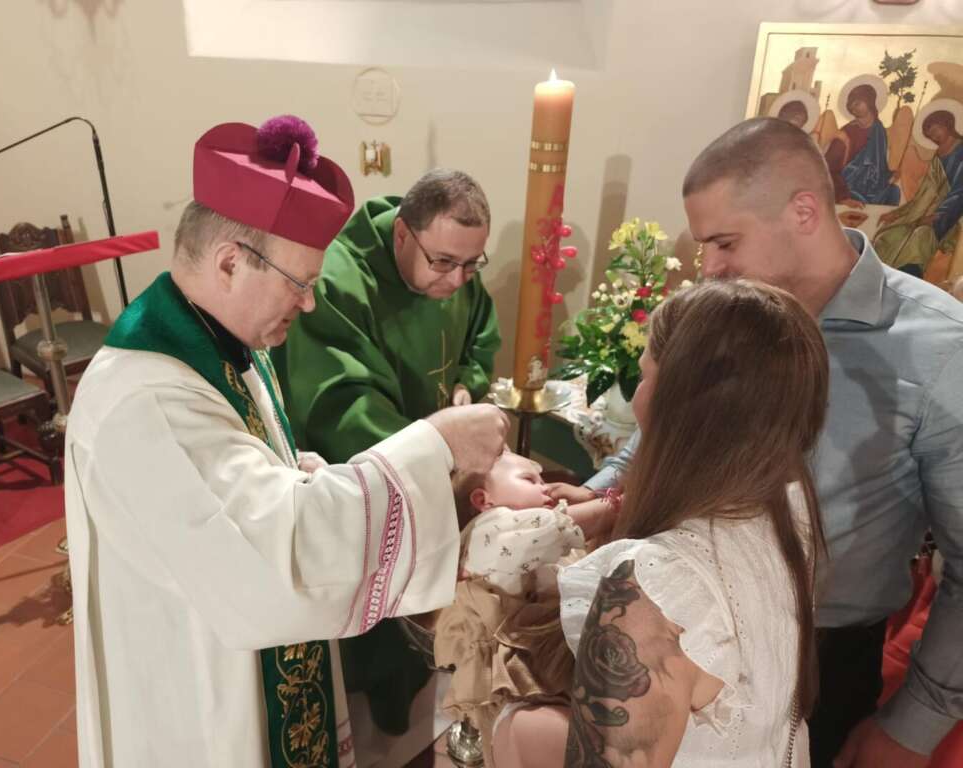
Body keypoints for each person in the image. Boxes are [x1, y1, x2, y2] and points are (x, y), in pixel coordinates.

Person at [64, 115, 508, 768]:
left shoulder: (224, 342)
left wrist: (298, 469)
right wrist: (436, 445)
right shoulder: (147, 399)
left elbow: (244, 482)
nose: (308, 304)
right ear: (229, 263)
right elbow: (275, 552)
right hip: (197, 687)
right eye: (299, 282)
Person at [560, 117, 963, 767]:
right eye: (704, 247)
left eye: (724, 242)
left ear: (803, 211)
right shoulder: (724, 308)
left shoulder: (941, 349)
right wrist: (593, 496)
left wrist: (911, 727)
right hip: (679, 632)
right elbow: (673, 425)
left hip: (822, 658)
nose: (709, 268)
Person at [554, 278, 828, 768]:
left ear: (679, 407)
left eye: (644, 375)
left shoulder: (653, 586)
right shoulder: (789, 512)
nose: (637, 397)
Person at [273, 169, 501, 755]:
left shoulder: (455, 266)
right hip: (378, 475)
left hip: (438, 467)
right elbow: (341, 402)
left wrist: (467, 383)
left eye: (471, 264)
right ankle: (370, 705)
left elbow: (480, 332)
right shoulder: (340, 283)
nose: (458, 280)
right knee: (376, 614)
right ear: (402, 234)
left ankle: (412, 692)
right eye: (443, 262)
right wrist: (441, 453)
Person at [434, 452, 617, 765]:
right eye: (529, 479)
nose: (545, 486)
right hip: (516, 667)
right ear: (484, 500)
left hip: (538, 658)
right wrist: (613, 505)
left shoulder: (527, 534)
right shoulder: (490, 529)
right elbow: (557, 527)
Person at [874, 107, 963, 277]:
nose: (934, 137)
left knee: (919, 236)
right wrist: (897, 213)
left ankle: (909, 280)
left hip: (949, 219)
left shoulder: (961, 152)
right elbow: (923, 195)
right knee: (889, 234)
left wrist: (937, 216)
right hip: (924, 215)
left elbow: (960, 193)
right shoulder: (938, 157)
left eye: (936, 130)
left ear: (948, 124)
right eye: (930, 135)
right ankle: (882, 276)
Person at [824, 83, 901, 208]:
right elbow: (829, 168)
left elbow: (878, 166)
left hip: (873, 188)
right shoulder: (845, 135)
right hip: (848, 189)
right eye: (851, 105)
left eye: (857, 103)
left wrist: (890, 174)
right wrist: (843, 197)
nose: (853, 108)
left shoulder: (879, 129)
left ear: (869, 102)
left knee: (894, 192)